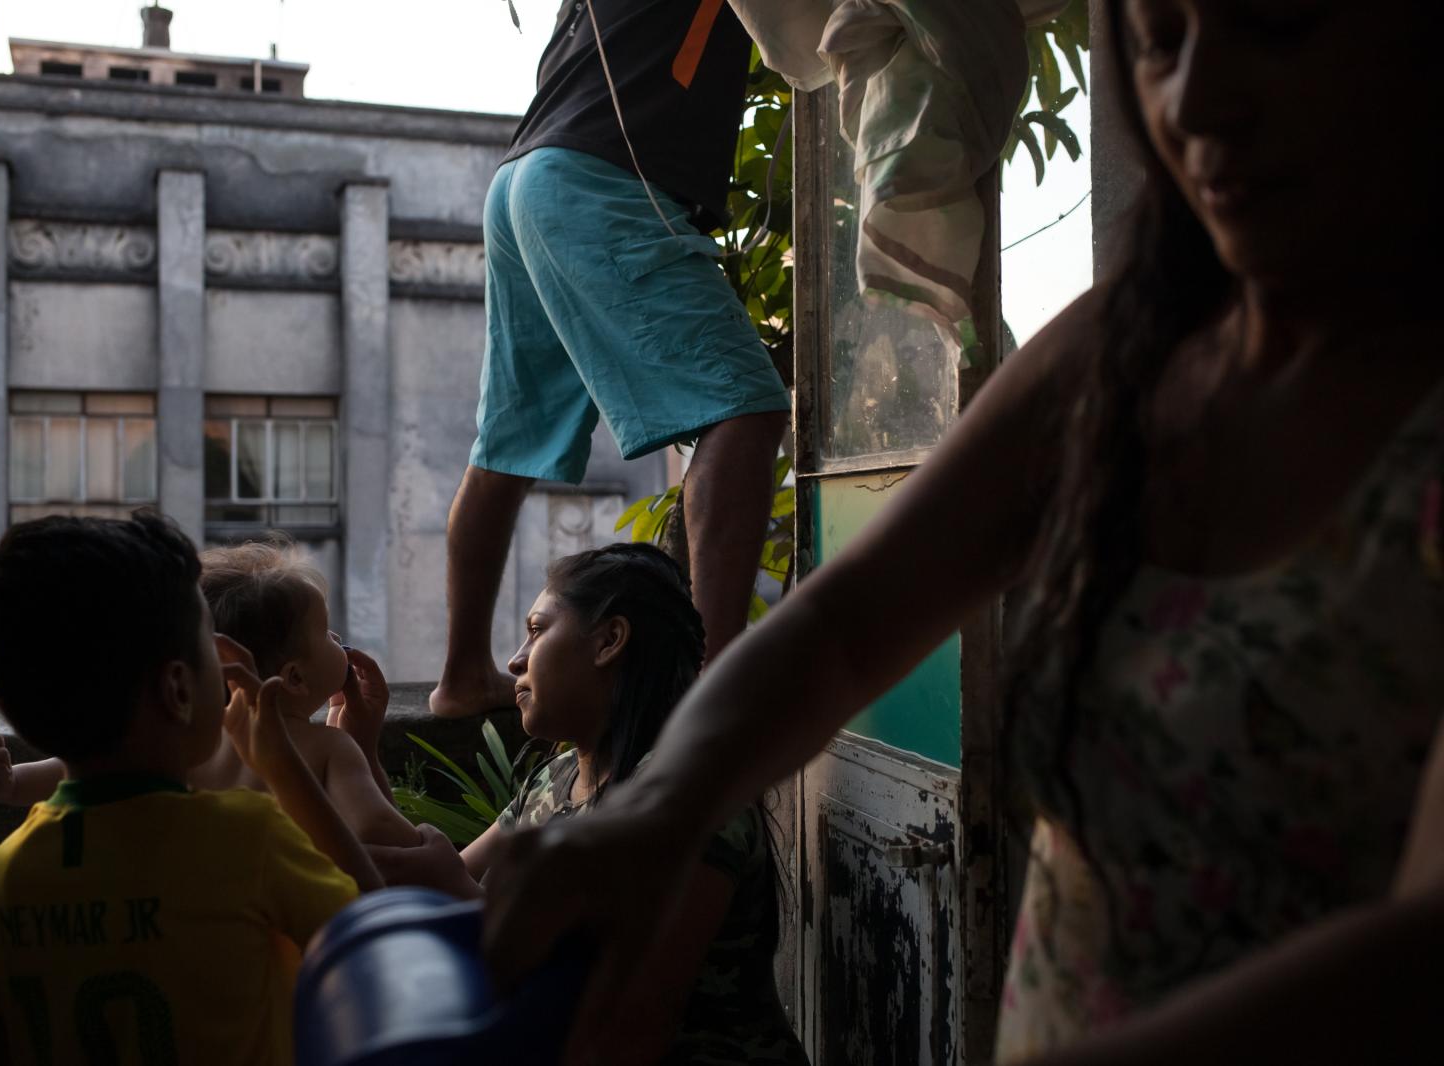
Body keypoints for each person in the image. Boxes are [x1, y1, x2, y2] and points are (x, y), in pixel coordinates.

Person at [477, 1, 1444, 1062]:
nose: (1197, 98)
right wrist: (654, 808)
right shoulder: (1128, 351)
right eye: (1161, 38)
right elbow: (848, 622)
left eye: (1281, 26)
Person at [428, 0, 790, 719]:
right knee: (746, 408)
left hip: (525, 179)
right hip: (600, 174)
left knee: (507, 442)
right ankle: (708, 691)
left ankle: (464, 675)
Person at [0, 513, 381, 1066]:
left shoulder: (6, 876)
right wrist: (283, 768)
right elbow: (380, 933)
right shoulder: (248, 842)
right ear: (180, 689)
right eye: (210, 647)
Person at [378, 544, 806, 1066]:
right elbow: (425, 888)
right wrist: (350, 755)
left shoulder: (691, 801)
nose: (515, 660)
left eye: (536, 630)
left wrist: (449, 886)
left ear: (609, 641)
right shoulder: (553, 781)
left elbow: (630, 1018)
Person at [0, 539, 418, 848]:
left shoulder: (179, 740)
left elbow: (78, 770)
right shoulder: (329, 747)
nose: (338, 635)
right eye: (324, 632)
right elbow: (378, 830)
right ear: (295, 678)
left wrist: (10, 783)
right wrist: (370, 756)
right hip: (290, 918)